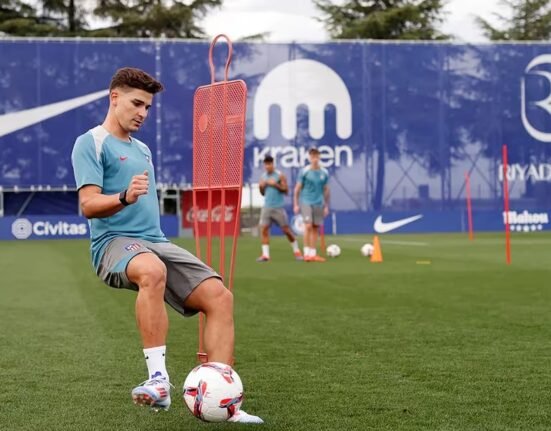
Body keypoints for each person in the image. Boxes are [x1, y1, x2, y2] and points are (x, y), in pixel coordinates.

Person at [71, 67, 262, 423]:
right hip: (113, 243)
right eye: (136, 103)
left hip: (155, 242)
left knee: (220, 297)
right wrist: (125, 196)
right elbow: (88, 204)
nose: (143, 113)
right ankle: (158, 381)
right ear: (114, 97)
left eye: (147, 107)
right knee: (152, 270)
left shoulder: (143, 149)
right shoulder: (90, 142)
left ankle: (226, 401)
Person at [256, 155, 302, 262]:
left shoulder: (280, 175)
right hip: (267, 207)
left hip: (278, 207)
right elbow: (262, 193)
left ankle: (297, 251)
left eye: (269, 164)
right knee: (264, 229)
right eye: (266, 164)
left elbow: (286, 191)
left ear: (273, 164)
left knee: (286, 230)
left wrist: (275, 184)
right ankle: (266, 255)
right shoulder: (263, 176)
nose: (267, 166)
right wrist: (261, 187)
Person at [293, 147, 330, 262]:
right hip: (306, 202)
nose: (314, 158)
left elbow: (326, 189)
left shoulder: (324, 172)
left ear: (319, 157)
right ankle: (306, 253)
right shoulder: (304, 171)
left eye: (316, 156)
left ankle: (313, 254)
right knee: (308, 226)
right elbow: (297, 189)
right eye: (312, 156)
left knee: (315, 227)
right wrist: (296, 204)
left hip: (318, 203)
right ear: (309, 158)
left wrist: (326, 206)